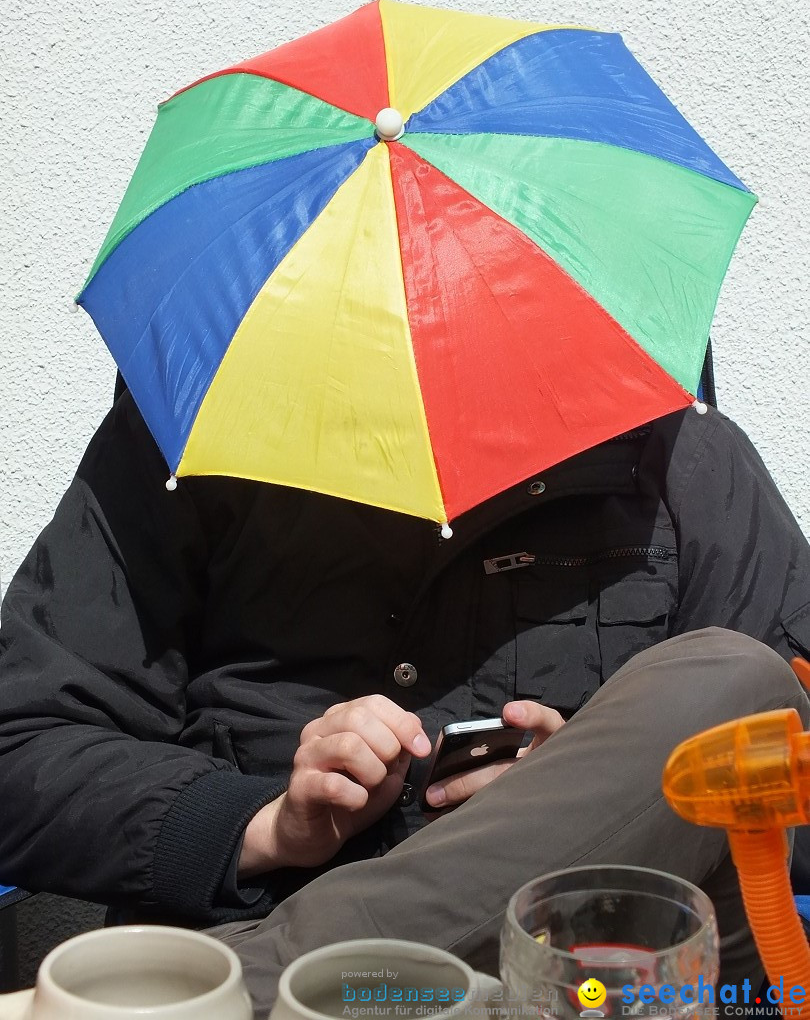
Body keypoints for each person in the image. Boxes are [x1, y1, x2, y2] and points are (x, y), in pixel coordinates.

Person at [1, 387, 809, 1009]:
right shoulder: (182, 447)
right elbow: (22, 749)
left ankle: (242, 995)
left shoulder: (682, 455)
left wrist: (593, 789)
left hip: (584, 986)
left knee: (739, 691)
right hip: (256, 916)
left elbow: (792, 809)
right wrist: (263, 824)